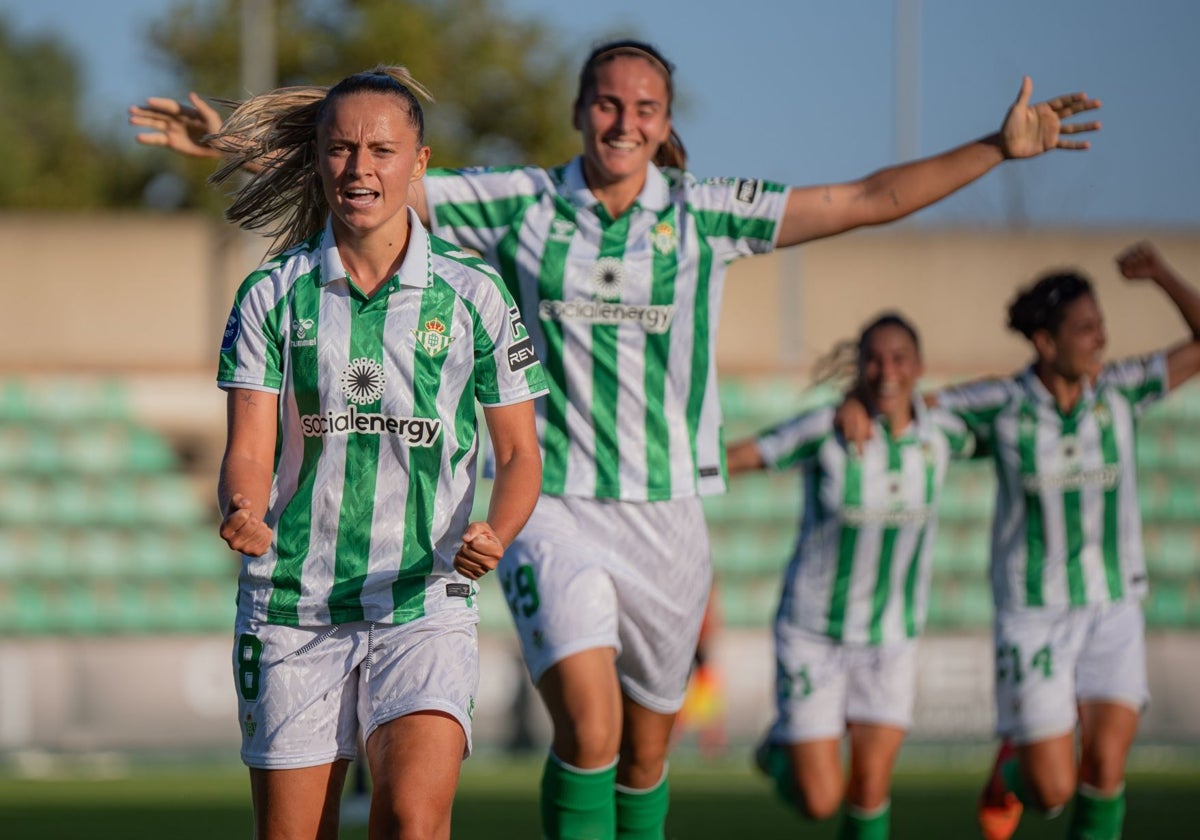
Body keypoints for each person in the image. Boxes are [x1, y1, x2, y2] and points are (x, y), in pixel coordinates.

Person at [132, 40, 1100, 840]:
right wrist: (235, 142)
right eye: (606, 102)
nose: (624, 120)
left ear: (665, 124)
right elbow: (370, 177)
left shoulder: (705, 216)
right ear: (580, 113)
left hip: (669, 514)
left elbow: (867, 200)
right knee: (589, 727)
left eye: (645, 107)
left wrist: (995, 149)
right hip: (550, 508)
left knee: (646, 749)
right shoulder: (520, 204)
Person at [213, 67, 547, 840]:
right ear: (320, 159)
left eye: (381, 150)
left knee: (410, 821)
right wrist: (241, 507)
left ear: (420, 163)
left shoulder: (475, 296)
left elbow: (520, 453)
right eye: (340, 149)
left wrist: (496, 527)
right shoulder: (272, 293)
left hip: (423, 601)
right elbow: (249, 447)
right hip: (294, 604)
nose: (359, 169)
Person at [840, 243, 1200, 840]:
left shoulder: (1120, 392)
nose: (1100, 340)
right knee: (1052, 791)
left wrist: (1163, 275)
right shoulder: (1000, 407)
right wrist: (858, 400)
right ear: (1045, 341)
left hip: (1113, 606)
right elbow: (905, 408)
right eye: (1085, 329)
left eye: (1101, 325)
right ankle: (1011, 767)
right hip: (1033, 615)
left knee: (1106, 768)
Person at [725, 313, 974, 838]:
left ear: (919, 367)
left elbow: (1015, 414)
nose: (887, 370)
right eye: (875, 359)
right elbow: (746, 456)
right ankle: (781, 747)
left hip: (890, 637)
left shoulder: (945, 434)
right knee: (819, 802)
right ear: (859, 367)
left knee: (869, 792)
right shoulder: (826, 430)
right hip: (814, 632)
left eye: (899, 358)